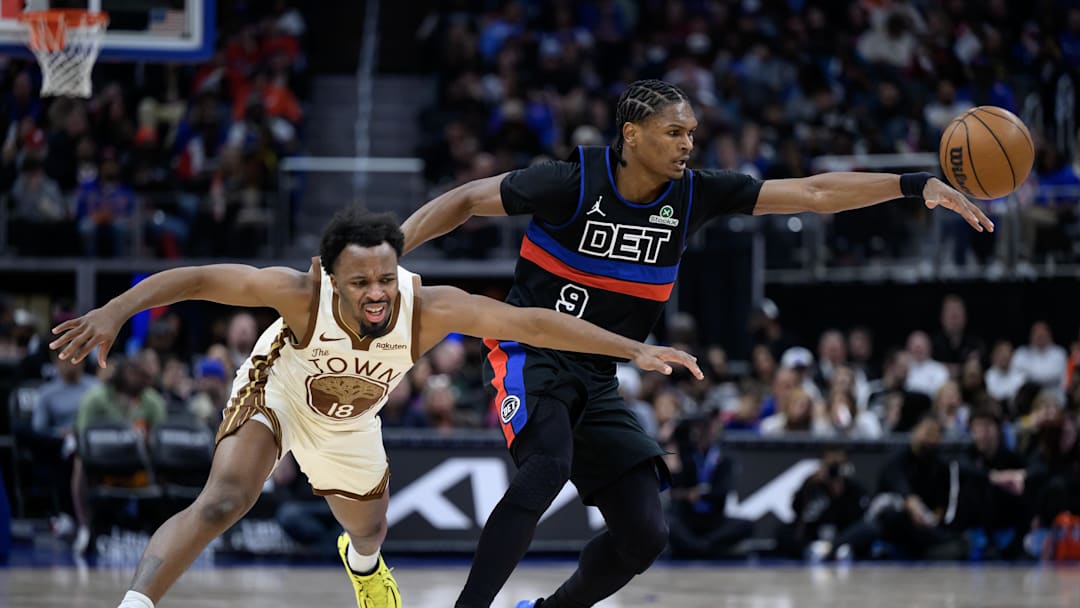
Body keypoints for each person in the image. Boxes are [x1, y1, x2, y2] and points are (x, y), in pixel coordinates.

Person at [400, 78, 992, 608]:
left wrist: (914, 186)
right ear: (631, 135)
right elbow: (465, 199)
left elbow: (813, 193)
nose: (688, 144)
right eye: (674, 132)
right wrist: (386, 251)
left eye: (692, 133)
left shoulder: (696, 194)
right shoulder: (571, 181)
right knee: (546, 465)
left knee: (644, 534)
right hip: (530, 354)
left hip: (600, 373)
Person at [49, 208, 700, 608]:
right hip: (279, 388)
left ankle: (363, 567)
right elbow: (194, 280)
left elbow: (534, 321)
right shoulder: (297, 295)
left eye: (386, 277)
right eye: (360, 281)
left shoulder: (429, 309)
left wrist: (632, 350)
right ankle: (136, 602)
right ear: (328, 276)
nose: (377, 292)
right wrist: (114, 310)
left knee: (368, 533)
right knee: (224, 500)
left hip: (350, 417)